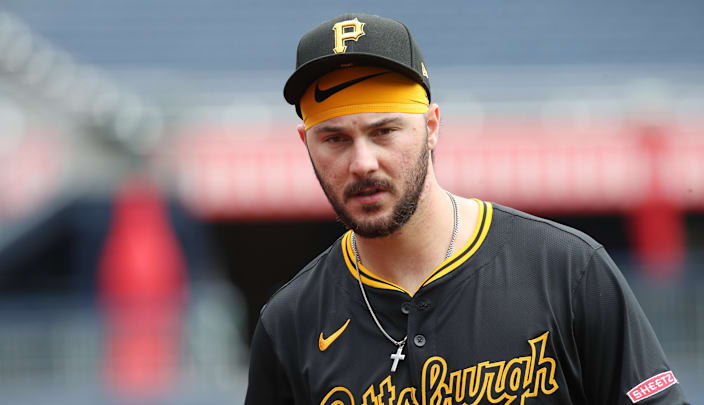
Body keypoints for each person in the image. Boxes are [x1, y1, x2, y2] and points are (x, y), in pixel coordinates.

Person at [245, 13, 688, 405]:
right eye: (335, 139)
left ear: (432, 127)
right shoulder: (290, 322)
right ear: (306, 143)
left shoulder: (567, 270)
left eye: (384, 131)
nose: (362, 163)